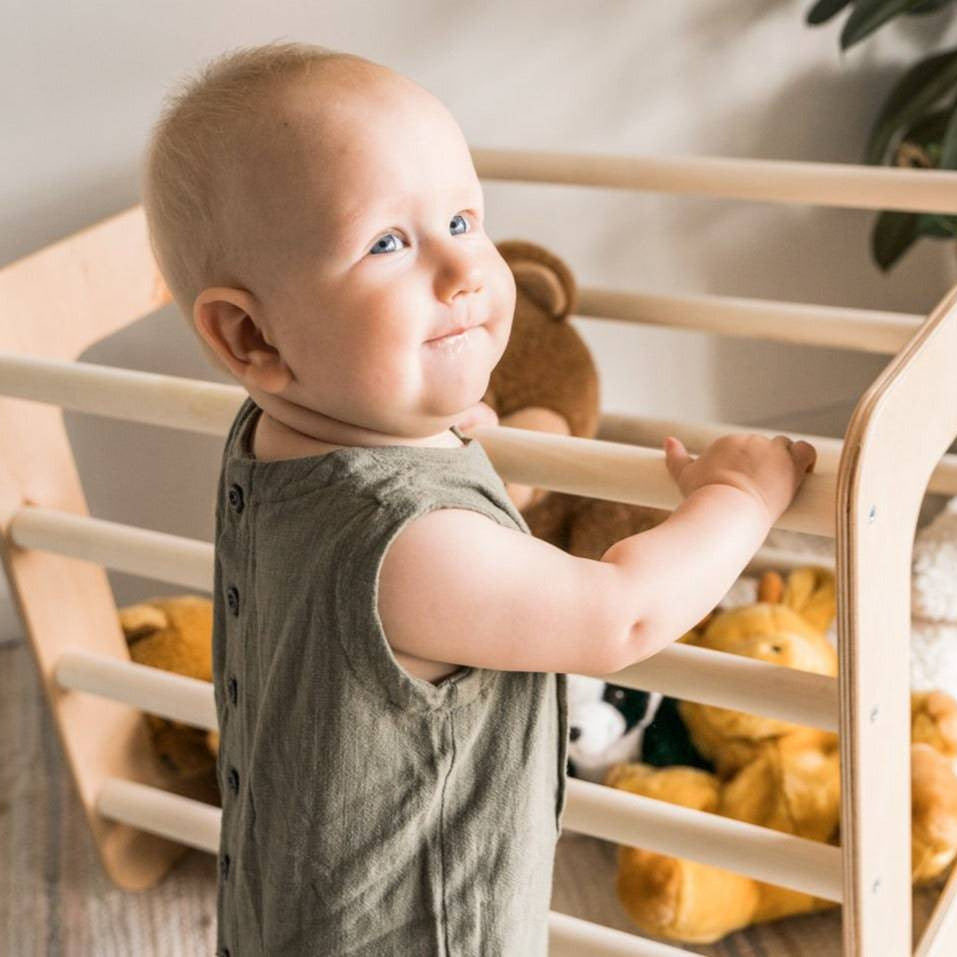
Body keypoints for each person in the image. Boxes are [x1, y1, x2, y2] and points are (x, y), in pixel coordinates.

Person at [141, 41, 817, 957]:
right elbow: (619, 614)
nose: (462, 271)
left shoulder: (271, 442)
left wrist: (433, 419)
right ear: (251, 334)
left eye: (464, 219)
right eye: (388, 243)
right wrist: (735, 494)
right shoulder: (409, 542)